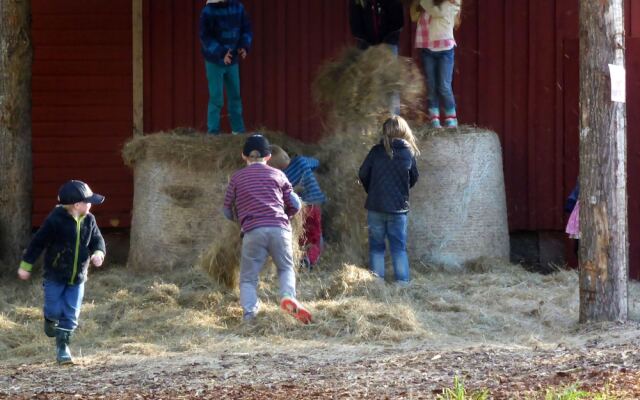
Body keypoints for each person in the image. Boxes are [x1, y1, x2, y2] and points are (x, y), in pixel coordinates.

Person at [223, 134, 312, 324]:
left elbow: (226, 209)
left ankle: (249, 315)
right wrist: (287, 215)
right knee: (286, 267)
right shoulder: (278, 175)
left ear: (243, 156)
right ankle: (288, 296)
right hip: (280, 229)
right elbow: (295, 204)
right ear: (269, 157)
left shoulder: (237, 178)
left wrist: (237, 221)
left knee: (248, 278)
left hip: (253, 232)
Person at [17, 180, 106, 365]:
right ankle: (49, 319)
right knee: (54, 309)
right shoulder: (55, 220)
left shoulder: (90, 220)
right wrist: (26, 265)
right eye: (88, 201)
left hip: (78, 277)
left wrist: (98, 253)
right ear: (77, 204)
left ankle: (63, 348)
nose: (91, 205)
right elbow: (38, 243)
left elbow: (98, 240)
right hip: (55, 276)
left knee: (71, 314)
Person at [358, 116, 420, 285]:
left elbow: (362, 173)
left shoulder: (376, 151)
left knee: (377, 247)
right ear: (404, 130)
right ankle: (402, 282)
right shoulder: (409, 153)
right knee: (398, 248)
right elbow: (414, 177)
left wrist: (372, 190)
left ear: (384, 131)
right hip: (399, 209)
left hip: (375, 206)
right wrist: (402, 190)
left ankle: (377, 282)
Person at [268, 145, 326, 269]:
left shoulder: (280, 176)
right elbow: (316, 163)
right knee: (315, 236)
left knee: (302, 234)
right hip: (314, 204)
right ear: (285, 155)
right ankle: (311, 258)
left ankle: (299, 256)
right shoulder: (300, 161)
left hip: (298, 210)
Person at [199, 0, 252, 135]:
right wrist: (221, 53)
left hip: (232, 60)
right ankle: (213, 133)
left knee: (235, 95)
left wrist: (244, 46)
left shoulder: (238, 7)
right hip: (214, 62)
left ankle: (238, 131)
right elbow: (205, 37)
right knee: (216, 98)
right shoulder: (208, 11)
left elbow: (246, 28)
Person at [411, 0, 462, 128]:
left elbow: (438, 12)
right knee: (431, 85)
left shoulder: (453, 1)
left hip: (445, 49)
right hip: (427, 47)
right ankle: (434, 117)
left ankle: (451, 117)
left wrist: (422, 2)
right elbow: (413, 16)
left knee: (444, 85)